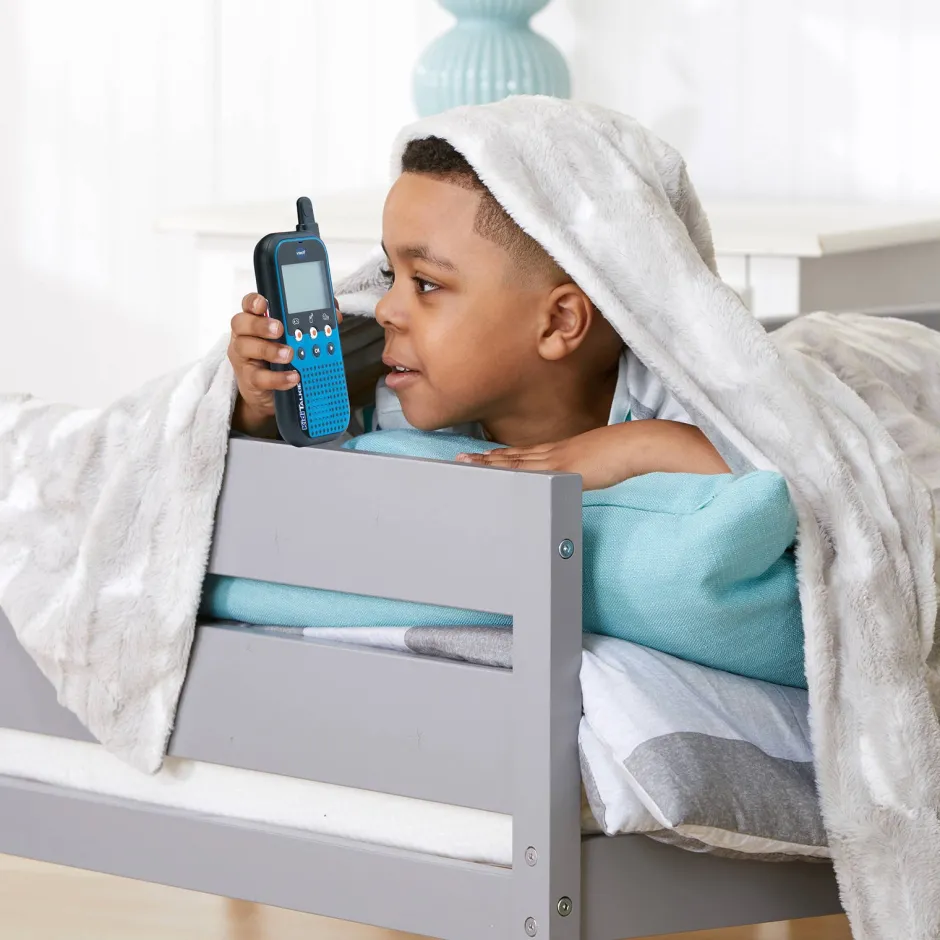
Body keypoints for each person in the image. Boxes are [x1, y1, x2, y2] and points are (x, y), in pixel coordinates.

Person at [228, 136, 729, 489]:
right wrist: (263, 408)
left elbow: (768, 465)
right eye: (388, 274)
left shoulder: (674, 400)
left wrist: (641, 447)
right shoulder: (399, 417)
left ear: (559, 323)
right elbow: (299, 474)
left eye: (426, 283)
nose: (383, 309)